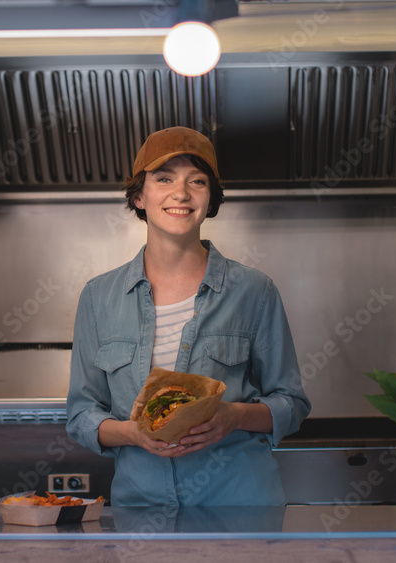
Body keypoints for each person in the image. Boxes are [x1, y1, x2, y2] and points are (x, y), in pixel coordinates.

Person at [66, 126, 310, 506]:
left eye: (197, 181)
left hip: (238, 506)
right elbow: (82, 415)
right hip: (142, 509)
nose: (180, 193)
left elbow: (292, 404)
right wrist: (134, 433)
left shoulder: (254, 291)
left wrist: (232, 416)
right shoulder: (99, 297)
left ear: (209, 199)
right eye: (164, 179)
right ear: (139, 196)